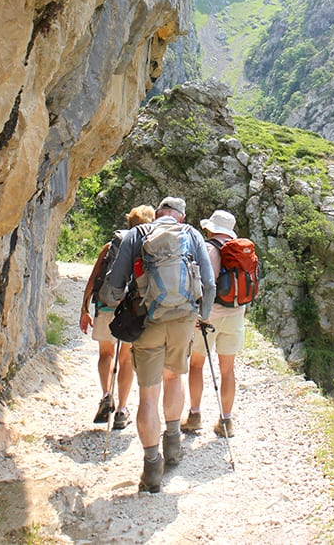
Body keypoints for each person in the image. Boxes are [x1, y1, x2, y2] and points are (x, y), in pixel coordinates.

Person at [99, 196, 215, 493]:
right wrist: (201, 316)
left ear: (158, 213)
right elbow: (209, 284)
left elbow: (114, 285)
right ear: (180, 216)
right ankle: (173, 445)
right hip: (183, 320)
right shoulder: (192, 235)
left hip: (147, 319)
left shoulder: (138, 234)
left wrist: (115, 305)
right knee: (174, 377)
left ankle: (152, 467)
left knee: (148, 395)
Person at [79, 205, 154, 430]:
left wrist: (84, 310)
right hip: (132, 309)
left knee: (105, 353)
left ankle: (105, 396)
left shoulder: (112, 245)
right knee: (126, 358)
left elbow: (94, 279)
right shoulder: (149, 246)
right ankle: (122, 410)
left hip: (107, 305)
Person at [182, 209, 248, 438]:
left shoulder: (209, 249)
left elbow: (205, 285)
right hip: (236, 314)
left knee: (197, 364)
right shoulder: (241, 251)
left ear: (210, 228)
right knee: (228, 369)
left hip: (210, 317)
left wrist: (201, 314)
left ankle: (194, 415)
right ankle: (226, 420)